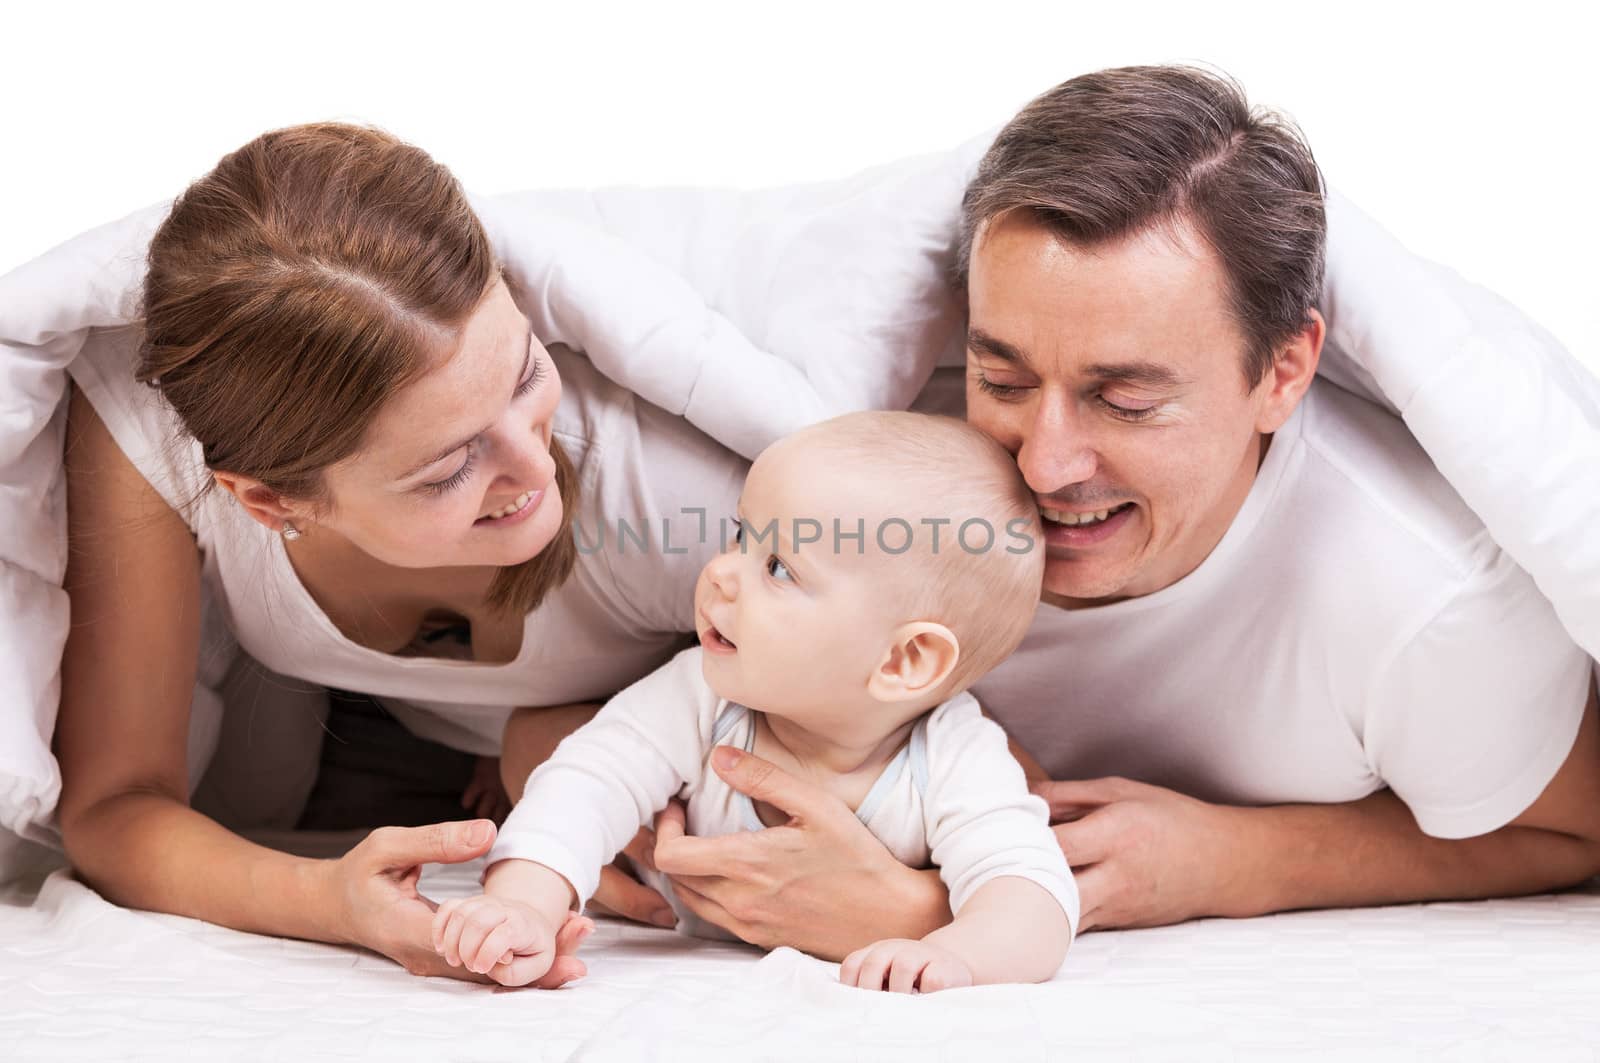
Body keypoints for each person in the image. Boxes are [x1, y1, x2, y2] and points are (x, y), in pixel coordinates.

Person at [608, 66, 1599, 954]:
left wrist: (1246, 861)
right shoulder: (872, 462)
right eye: (1000, 377)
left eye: (1125, 400)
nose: (1044, 464)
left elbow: (1573, 827)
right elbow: (611, 680)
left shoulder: (1422, 601)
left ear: (1282, 372)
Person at [54, 122, 747, 983]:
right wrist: (332, 901)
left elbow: (925, 721)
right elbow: (114, 807)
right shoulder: (152, 432)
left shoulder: (672, 500)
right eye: (451, 466)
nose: (535, 469)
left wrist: (562, 759)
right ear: (269, 501)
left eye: (526, 375)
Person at [431, 412, 1075, 992]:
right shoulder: (700, 694)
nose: (719, 571)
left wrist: (958, 956)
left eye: (779, 569)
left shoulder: (955, 753)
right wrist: (525, 906)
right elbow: (584, 786)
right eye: (742, 536)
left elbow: (1030, 893)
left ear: (904, 661)